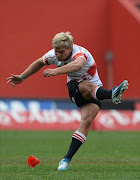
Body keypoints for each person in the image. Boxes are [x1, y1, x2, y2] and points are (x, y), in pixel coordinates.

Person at [6, 32, 129, 171]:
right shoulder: (53, 54)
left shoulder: (80, 54)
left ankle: (65, 160)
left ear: (70, 48)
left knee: (86, 122)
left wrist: (56, 71)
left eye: (61, 52)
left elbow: (77, 65)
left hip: (94, 91)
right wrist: (22, 77)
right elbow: (39, 62)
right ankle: (110, 94)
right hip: (75, 88)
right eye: (56, 51)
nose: (58, 55)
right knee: (85, 85)